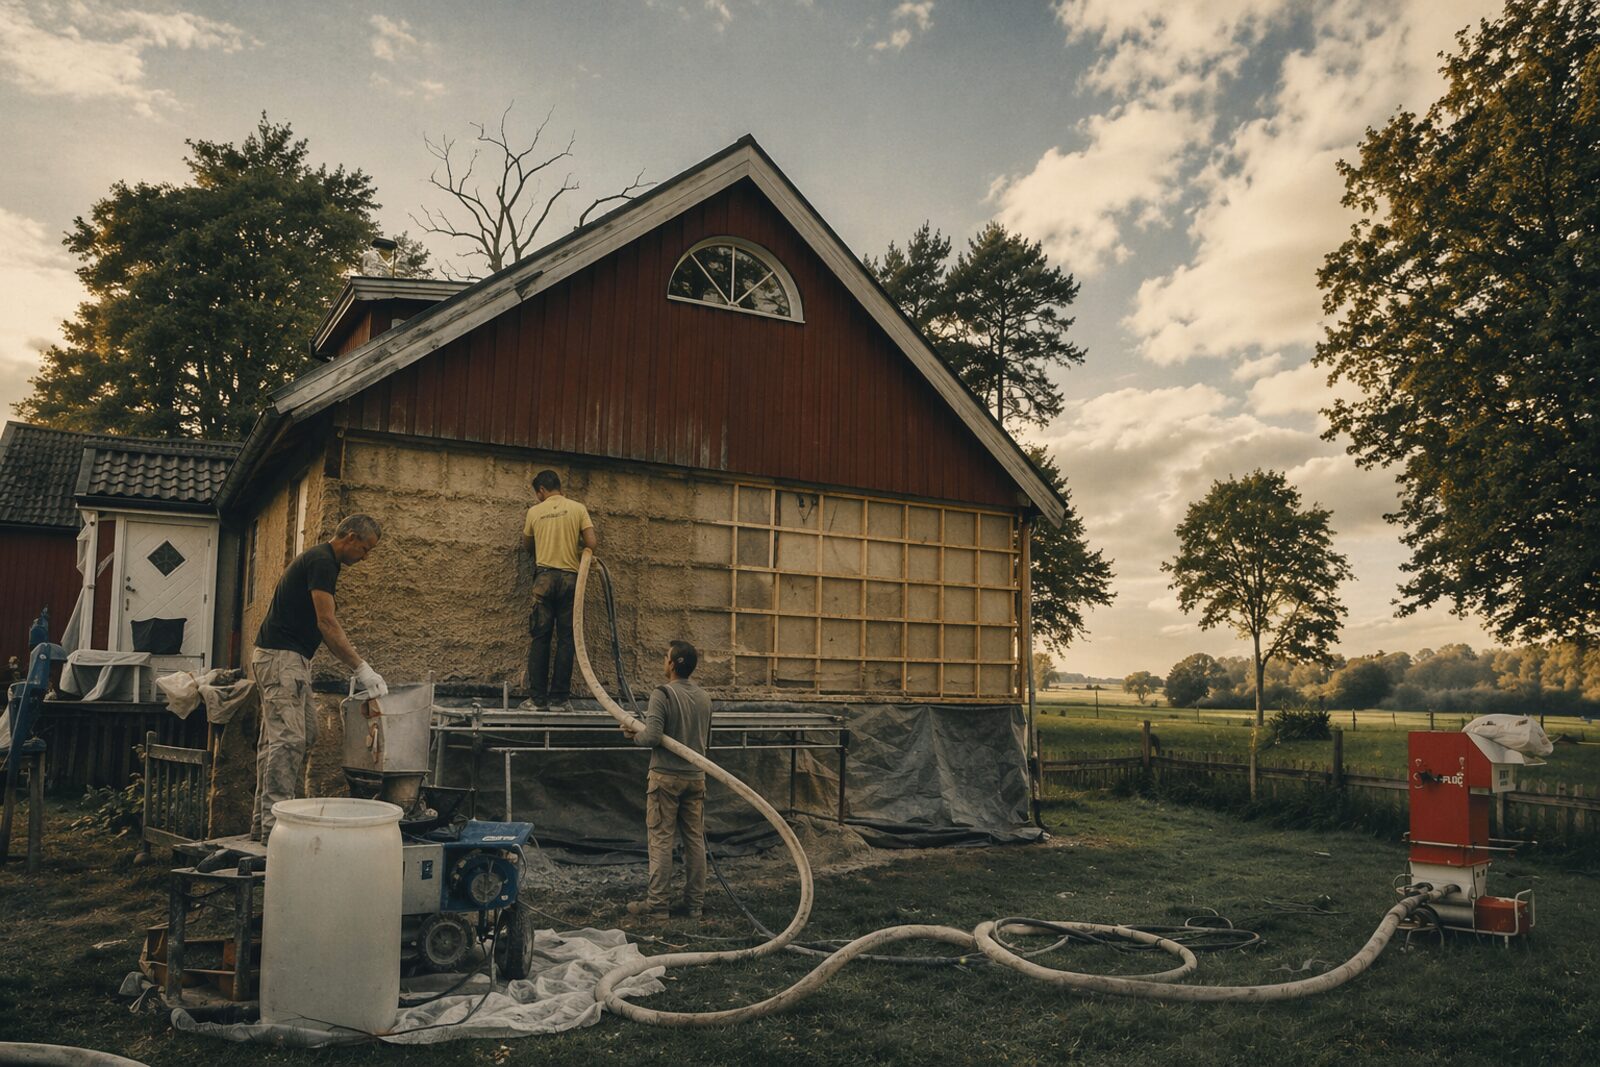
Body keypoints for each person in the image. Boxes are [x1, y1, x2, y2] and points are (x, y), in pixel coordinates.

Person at [250, 514, 387, 842]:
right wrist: (361, 668)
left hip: (289, 660)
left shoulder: (324, 562)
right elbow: (326, 622)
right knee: (288, 740)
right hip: (281, 659)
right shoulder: (323, 561)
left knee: (301, 735)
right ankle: (274, 830)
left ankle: (261, 822)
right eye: (365, 549)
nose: (365, 557)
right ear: (351, 537)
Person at [621, 640, 712, 921]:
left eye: (665, 657)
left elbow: (652, 737)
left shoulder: (662, 694)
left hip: (666, 779)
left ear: (673, 664)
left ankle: (658, 906)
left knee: (661, 840)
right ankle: (695, 905)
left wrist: (632, 734)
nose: (663, 661)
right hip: (696, 778)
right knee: (695, 841)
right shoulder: (705, 697)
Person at [521, 470, 598, 710]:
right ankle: (560, 699)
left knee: (540, 638)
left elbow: (527, 545)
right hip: (570, 580)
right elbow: (591, 543)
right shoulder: (578, 508)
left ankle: (537, 699)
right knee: (567, 639)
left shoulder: (534, 512)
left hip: (543, 579)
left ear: (542, 490)